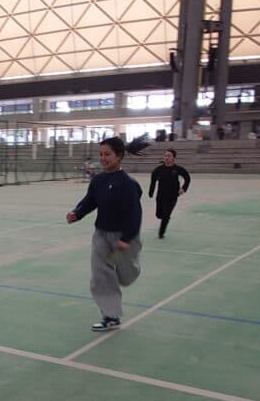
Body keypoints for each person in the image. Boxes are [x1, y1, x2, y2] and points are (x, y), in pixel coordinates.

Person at [66, 135, 150, 331]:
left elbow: (135, 213)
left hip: (124, 237)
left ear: (119, 156)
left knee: (126, 277)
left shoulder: (128, 183)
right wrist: (77, 213)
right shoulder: (98, 180)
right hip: (102, 235)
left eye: (107, 154)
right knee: (100, 274)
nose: (103, 158)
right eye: (101, 154)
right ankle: (111, 316)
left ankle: (132, 268)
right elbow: (90, 201)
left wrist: (126, 238)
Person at [148, 149, 191, 239]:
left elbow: (187, 178)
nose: (166, 158)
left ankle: (161, 233)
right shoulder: (158, 169)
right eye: (165, 156)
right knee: (159, 215)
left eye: (169, 156)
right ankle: (165, 217)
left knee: (166, 215)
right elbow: (153, 180)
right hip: (160, 196)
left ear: (173, 158)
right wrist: (151, 192)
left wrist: (184, 188)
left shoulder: (177, 169)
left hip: (172, 196)